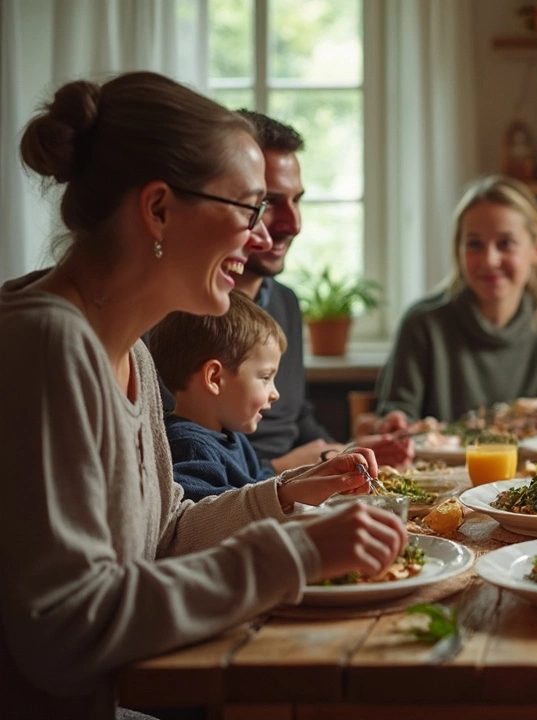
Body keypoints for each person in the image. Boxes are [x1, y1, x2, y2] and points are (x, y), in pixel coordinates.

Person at [0, 71, 408, 719]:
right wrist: (299, 550)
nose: (260, 236)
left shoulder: (127, 348)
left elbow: (160, 537)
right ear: (159, 208)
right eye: (248, 207)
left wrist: (280, 497)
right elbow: (64, 630)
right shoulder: (48, 345)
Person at [232, 110, 411, 471]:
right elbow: (191, 469)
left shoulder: (284, 302)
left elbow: (298, 420)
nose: (293, 224)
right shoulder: (183, 315)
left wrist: (349, 449)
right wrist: (286, 468)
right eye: (269, 203)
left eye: (297, 200)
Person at [372, 175, 537, 422]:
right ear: (459, 250)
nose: (489, 260)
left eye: (506, 243)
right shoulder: (422, 325)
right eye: (474, 244)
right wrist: (394, 421)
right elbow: (397, 415)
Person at [150, 291, 288, 500]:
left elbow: (261, 483)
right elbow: (206, 513)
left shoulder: (233, 437)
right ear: (214, 379)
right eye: (266, 377)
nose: (275, 394)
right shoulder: (190, 447)